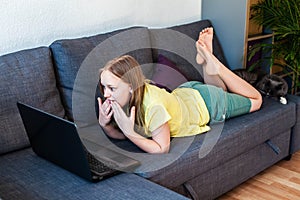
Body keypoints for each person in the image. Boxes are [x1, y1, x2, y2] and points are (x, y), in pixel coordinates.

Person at [97, 27, 262, 154]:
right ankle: (206, 60)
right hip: (187, 93)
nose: (105, 94)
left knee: (256, 100)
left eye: (111, 88)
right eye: (103, 87)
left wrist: (129, 131)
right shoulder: (126, 98)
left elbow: (162, 148)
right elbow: (124, 136)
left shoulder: (153, 106)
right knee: (218, 90)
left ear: (131, 86)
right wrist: (105, 125)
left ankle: (216, 64)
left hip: (206, 104)